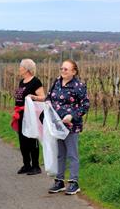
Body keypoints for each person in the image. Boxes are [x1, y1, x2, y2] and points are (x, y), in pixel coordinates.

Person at [47, 59, 90, 195]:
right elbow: (49, 98)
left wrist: (72, 116)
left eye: (66, 69)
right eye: (62, 68)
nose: (63, 71)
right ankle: (59, 181)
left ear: (74, 71)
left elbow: (85, 105)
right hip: (57, 125)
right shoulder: (56, 82)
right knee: (60, 154)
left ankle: (73, 182)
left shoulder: (79, 86)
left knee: (72, 154)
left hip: (71, 125)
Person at [14, 59, 45, 175]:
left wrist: (33, 97)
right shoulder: (22, 81)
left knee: (31, 140)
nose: (19, 69)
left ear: (26, 69)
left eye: (20, 67)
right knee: (23, 141)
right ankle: (26, 165)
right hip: (20, 115)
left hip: (30, 116)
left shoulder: (36, 82)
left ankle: (36, 166)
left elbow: (43, 97)